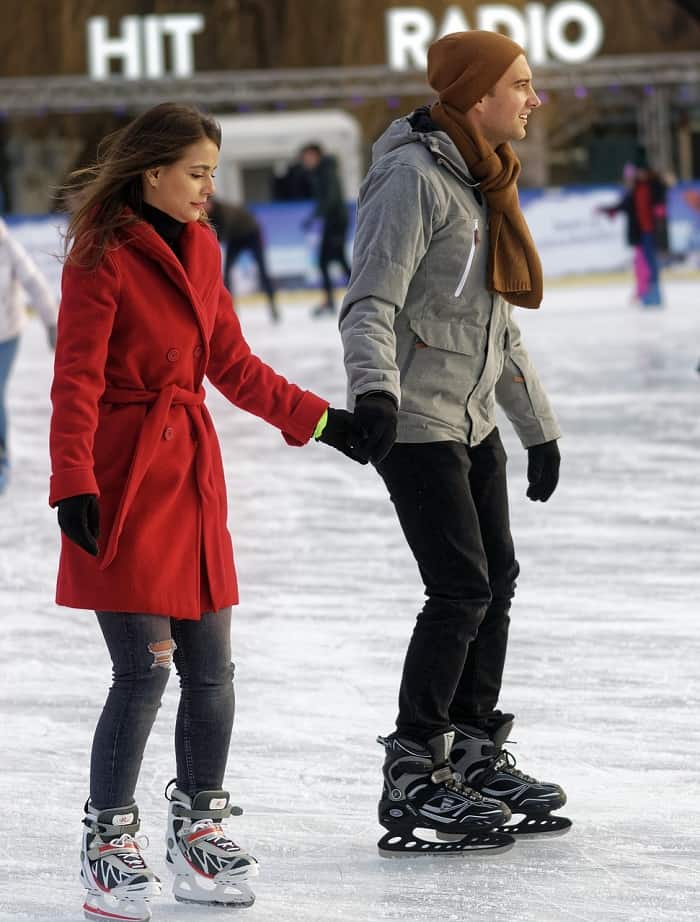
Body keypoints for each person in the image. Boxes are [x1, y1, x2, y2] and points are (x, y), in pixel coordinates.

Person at [49, 103, 364, 921]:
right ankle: (108, 847)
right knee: (144, 671)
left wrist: (325, 422)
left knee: (213, 671)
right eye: (195, 173)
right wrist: (72, 481)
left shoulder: (206, 247)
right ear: (151, 171)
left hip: (189, 480)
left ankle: (198, 831)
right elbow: (75, 379)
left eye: (213, 174)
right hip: (122, 481)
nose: (207, 188)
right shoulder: (101, 256)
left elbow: (231, 363)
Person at [338, 31, 571, 856]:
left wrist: (536, 431)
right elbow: (370, 300)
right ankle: (413, 765)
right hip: (413, 418)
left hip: (472, 417)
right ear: (478, 97)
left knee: (496, 582)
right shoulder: (412, 177)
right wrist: (373, 393)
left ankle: (470, 752)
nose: (533, 98)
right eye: (521, 84)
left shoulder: (485, 180)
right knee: (460, 589)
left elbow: (497, 330)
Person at [0, 217, 57, 494]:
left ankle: (1, 460)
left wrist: (51, 322)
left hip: (6, 334)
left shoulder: (7, 245)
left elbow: (34, 282)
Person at [599, 148, 668, 307]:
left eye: (641, 172)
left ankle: (654, 295)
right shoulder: (635, 189)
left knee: (651, 263)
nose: (639, 175)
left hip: (652, 231)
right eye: (637, 172)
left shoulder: (654, 185)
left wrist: (660, 210)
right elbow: (625, 205)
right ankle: (645, 294)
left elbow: (662, 194)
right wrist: (609, 210)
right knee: (641, 264)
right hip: (640, 232)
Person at [203, 197, 280, 323]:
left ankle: (273, 306)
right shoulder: (207, 213)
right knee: (226, 274)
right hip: (235, 238)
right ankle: (230, 310)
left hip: (251, 233)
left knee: (262, 271)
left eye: (206, 204)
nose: (204, 208)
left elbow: (219, 237)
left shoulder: (223, 212)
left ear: (211, 203)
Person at [299, 143, 351, 317]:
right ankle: (335, 300)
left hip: (336, 222)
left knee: (331, 262)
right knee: (335, 261)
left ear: (317, 156)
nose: (306, 161)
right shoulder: (321, 172)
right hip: (333, 221)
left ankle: (356, 298)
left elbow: (331, 199)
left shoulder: (326, 172)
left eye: (308, 156)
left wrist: (314, 217)